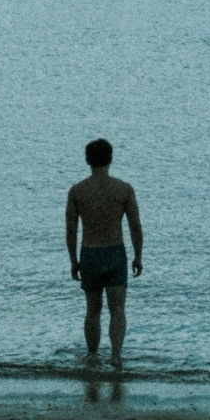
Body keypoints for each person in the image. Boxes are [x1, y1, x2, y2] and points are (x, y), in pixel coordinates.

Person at [65, 138, 143, 362]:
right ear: (110, 159)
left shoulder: (78, 191)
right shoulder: (124, 189)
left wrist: (73, 260)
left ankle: (92, 354)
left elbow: (71, 230)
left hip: (90, 253)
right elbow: (135, 226)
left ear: (87, 160)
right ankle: (116, 356)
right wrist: (138, 256)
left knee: (93, 311)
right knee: (117, 309)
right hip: (114, 253)